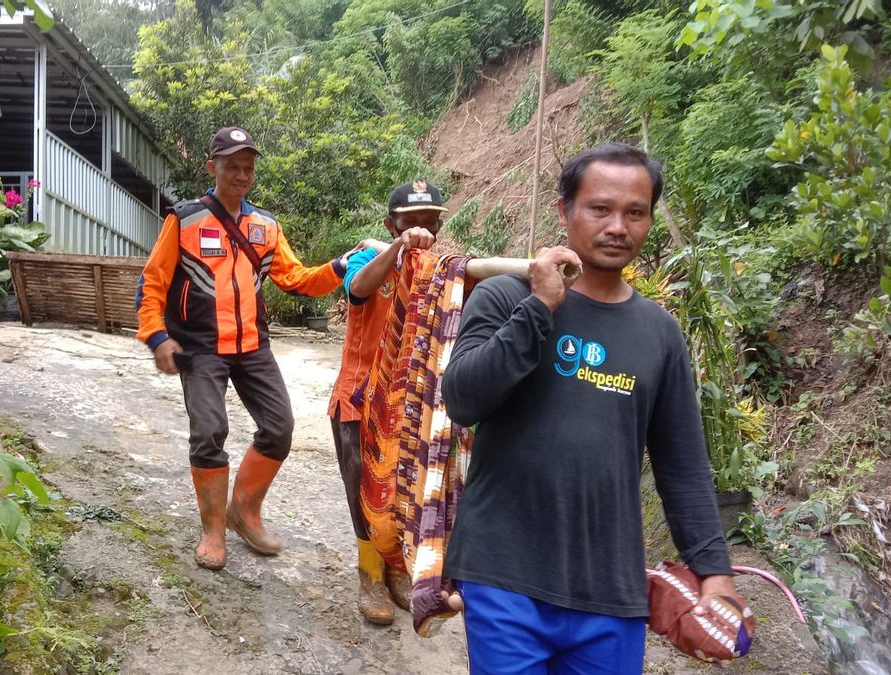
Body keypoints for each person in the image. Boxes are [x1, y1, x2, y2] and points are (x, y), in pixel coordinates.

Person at [440, 143, 745, 673]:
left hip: (611, 587)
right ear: (565, 211)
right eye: (599, 208)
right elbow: (464, 399)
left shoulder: (659, 333)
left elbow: (683, 464)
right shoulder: (505, 299)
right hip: (504, 571)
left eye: (635, 212)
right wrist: (539, 308)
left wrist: (714, 570)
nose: (618, 227)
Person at [136, 126, 347, 571]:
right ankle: (213, 530)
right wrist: (156, 336)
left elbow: (297, 279)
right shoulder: (186, 219)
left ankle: (244, 512)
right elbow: (152, 283)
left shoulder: (265, 227)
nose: (241, 174)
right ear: (212, 167)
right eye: (232, 165)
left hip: (252, 345)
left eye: (247, 167)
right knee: (209, 431)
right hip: (200, 347)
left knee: (279, 427)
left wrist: (340, 267)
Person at [329, 179, 446, 624]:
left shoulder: (439, 270)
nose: (420, 230)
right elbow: (358, 287)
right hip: (359, 400)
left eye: (429, 222)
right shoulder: (368, 258)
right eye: (409, 222)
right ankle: (370, 576)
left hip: (410, 404)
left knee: (403, 491)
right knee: (363, 489)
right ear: (390, 224)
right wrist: (395, 248)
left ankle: (397, 569)